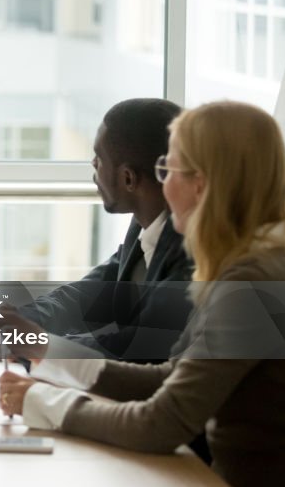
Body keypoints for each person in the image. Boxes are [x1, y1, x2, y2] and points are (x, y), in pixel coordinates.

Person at [0, 101, 285, 487]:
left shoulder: (251, 284)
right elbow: (168, 377)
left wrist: (40, 403)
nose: (161, 186)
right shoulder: (250, 262)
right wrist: (45, 351)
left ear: (201, 183)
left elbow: (160, 424)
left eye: (168, 170)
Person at [13, 98, 193, 359]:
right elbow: (95, 293)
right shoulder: (145, 224)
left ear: (128, 178)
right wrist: (20, 322)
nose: (93, 164)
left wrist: (35, 345)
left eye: (99, 157)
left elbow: (136, 350)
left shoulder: (191, 252)